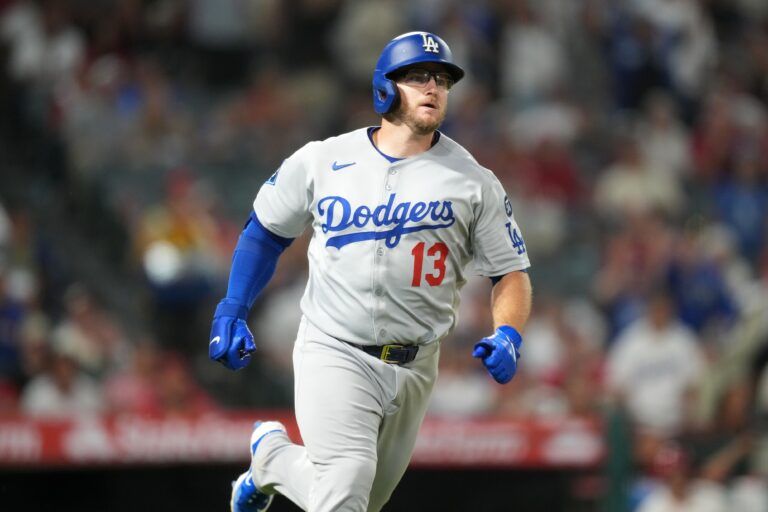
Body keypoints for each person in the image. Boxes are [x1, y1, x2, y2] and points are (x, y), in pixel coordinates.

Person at [209, 31, 533, 512]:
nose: (434, 87)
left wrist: (509, 333)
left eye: (442, 79)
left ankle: (272, 459)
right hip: (335, 346)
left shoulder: (473, 181)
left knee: (361, 497)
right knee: (346, 484)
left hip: (417, 362)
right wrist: (233, 307)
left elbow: (510, 272)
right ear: (384, 87)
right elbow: (265, 231)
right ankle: (275, 461)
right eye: (419, 76)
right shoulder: (324, 159)